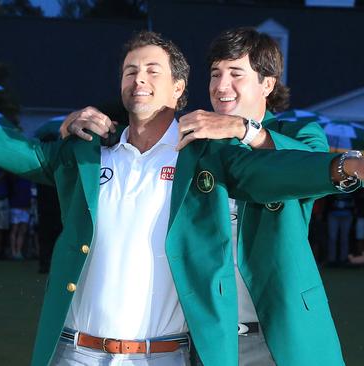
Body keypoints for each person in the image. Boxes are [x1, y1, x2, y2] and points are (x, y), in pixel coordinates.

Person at [0, 31, 364, 366]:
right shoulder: (84, 153)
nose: (139, 77)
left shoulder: (213, 157)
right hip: (76, 351)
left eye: (154, 69)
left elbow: (283, 172)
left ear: (179, 89)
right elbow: (6, 147)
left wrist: (347, 166)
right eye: (130, 69)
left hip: (170, 354)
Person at [61, 27, 349, 366]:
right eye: (215, 74)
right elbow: (141, 129)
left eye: (235, 74)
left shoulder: (297, 134)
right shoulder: (195, 143)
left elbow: (313, 167)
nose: (221, 85)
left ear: (267, 83)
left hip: (281, 332)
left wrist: (246, 130)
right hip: (210, 339)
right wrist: (72, 126)